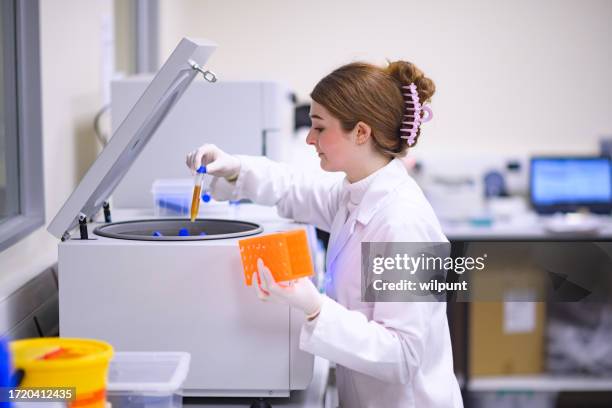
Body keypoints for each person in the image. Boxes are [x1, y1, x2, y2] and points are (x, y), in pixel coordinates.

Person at [186, 61, 463, 408]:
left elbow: (404, 356)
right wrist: (235, 167)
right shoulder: (354, 193)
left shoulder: (405, 223)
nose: (309, 138)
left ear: (361, 132)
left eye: (319, 127)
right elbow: (293, 188)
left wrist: (316, 307)